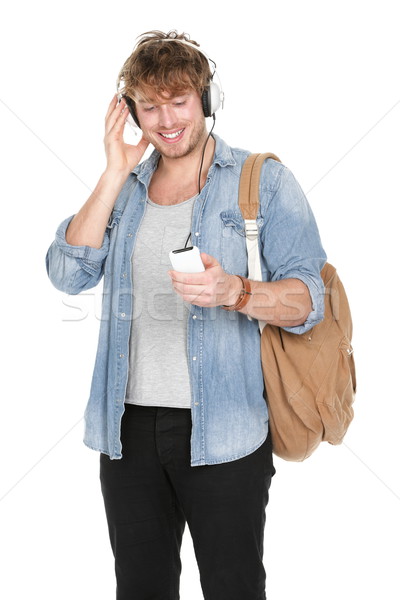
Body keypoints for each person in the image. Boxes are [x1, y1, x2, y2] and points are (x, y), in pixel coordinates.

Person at [46, 29, 326, 600]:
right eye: (150, 106)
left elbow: (309, 301)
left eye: (179, 101)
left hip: (224, 432)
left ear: (208, 100)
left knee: (233, 588)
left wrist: (237, 292)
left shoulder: (262, 181)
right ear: (131, 111)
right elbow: (67, 273)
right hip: (126, 434)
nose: (166, 119)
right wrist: (112, 173)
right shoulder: (124, 191)